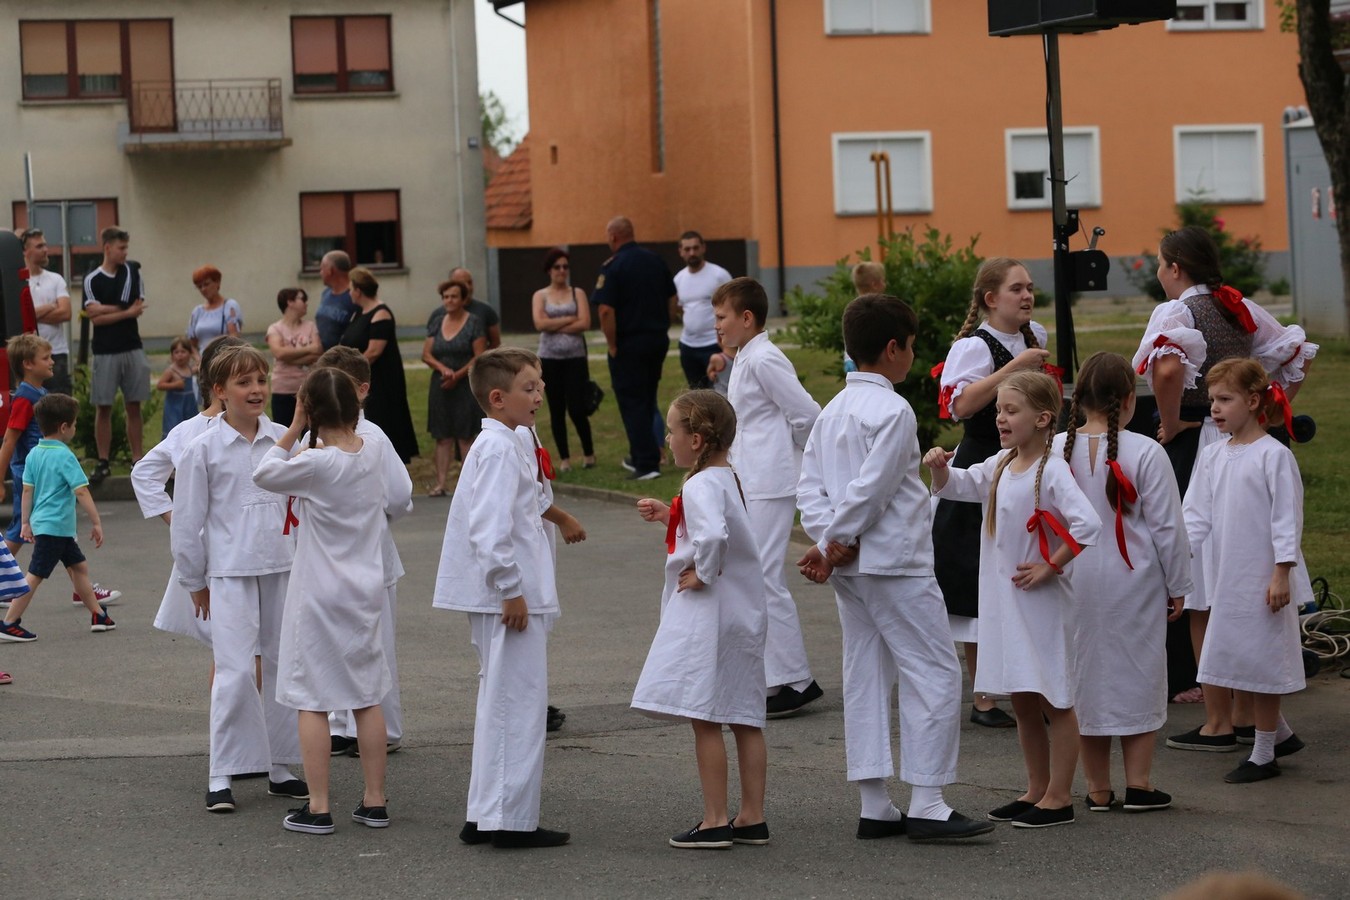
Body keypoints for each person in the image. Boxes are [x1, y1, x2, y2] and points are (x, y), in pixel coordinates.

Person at [796, 294, 993, 843]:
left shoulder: (831, 410)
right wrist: (837, 538)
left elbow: (809, 486)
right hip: (895, 562)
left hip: (854, 568)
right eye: (910, 346)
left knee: (866, 673)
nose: (912, 355)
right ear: (892, 349)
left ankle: (875, 802)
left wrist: (829, 538)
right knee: (933, 670)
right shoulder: (894, 410)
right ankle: (928, 802)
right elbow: (876, 488)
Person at [1132, 226, 1317, 745]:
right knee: (1233, 571)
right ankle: (1240, 713)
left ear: (1174, 268)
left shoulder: (1177, 313)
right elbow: (1293, 355)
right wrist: (1271, 408)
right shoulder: (1241, 307)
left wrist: (1173, 423)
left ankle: (1218, 719)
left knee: (1204, 580)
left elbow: (1167, 370)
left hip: (1200, 442)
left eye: (1163, 268)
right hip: (1236, 432)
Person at [925, 370, 1101, 829]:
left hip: (1040, 603)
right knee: (1023, 696)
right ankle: (1035, 789)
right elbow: (961, 486)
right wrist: (941, 467)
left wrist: (1050, 564)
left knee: (1054, 697)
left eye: (1010, 410)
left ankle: (1060, 797)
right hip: (1006, 602)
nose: (1000, 418)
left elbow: (1087, 524)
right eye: (998, 410)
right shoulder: (1002, 462)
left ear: (1043, 418)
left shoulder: (1053, 469)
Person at [432, 347, 569, 849]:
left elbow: (527, 504)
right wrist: (511, 590)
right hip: (507, 599)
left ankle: (485, 813)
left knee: (501, 703)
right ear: (497, 398)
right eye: (529, 388)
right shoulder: (495, 448)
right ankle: (511, 821)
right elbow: (488, 530)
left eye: (539, 385)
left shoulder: (510, 441)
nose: (539, 395)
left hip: (508, 596)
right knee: (519, 704)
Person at [253, 368, 396, 834]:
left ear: (311, 410)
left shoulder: (315, 464)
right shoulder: (372, 451)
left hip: (319, 590)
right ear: (357, 408)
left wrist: (294, 426)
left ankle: (318, 806)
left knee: (312, 697)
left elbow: (264, 472)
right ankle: (374, 800)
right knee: (367, 695)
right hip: (365, 587)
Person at [1055, 352, 1192, 812]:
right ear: (1129, 400)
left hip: (1071, 578)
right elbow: (1168, 528)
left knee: (1084, 678)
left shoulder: (1056, 449)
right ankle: (1140, 784)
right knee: (1139, 672)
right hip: (1134, 580)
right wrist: (1180, 583)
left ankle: (1097, 789)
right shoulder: (1147, 452)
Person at [170, 344, 305, 814]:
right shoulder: (201, 448)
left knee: (284, 665)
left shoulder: (286, 441)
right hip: (228, 573)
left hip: (284, 569)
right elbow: (188, 522)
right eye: (244, 382)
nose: (256, 390)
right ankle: (220, 772)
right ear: (219, 391)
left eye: (261, 380)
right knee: (233, 671)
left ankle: (281, 765)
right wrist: (194, 580)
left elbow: (306, 503)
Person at [632, 390, 768, 850]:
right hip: (744, 612)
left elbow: (712, 536)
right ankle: (752, 816)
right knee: (746, 717)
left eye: (672, 431)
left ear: (696, 438)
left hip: (713, 614)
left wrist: (704, 574)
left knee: (705, 716)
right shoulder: (727, 476)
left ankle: (714, 821)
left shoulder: (699, 484)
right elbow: (714, 523)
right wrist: (668, 515)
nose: (668, 439)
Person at [931, 258, 1050, 729]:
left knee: (1023, 565)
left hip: (1032, 461)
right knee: (978, 573)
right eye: (1016, 288)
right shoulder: (974, 347)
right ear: (990, 299)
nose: (1027, 296)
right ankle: (983, 694)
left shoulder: (1034, 334)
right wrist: (1013, 369)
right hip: (985, 459)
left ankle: (1033, 683)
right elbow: (958, 406)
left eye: (1030, 287)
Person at [1181, 358, 1309, 784]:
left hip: (1262, 576)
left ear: (1253, 401)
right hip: (1227, 575)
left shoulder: (1273, 456)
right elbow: (1194, 516)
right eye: (1212, 400)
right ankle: (1281, 735)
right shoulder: (1214, 455)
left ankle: (1264, 753)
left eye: (1224, 399)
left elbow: (1286, 519)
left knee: (1262, 660)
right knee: (1238, 656)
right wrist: (1174, 561)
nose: (1214, 408)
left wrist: (1281, 572)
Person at [714, 277, 823, 716]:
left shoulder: (764, 359)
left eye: (722, 318)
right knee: (755, 576)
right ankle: (780, 677)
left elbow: (807, 414)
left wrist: (792, 458)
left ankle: (795, 679)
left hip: (770, 482)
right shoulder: (744, 357)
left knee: (762, 577)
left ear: (746, 318)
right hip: (752, 478)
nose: (717, 326)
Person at [311, 345, 413, 760]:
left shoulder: (373, 437)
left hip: (371, 557)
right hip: (328, 562)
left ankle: (381, 728)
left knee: (374, 645)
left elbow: (401, 496)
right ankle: (341, 724)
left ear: (362, 391)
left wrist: (372, 515)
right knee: (333, 643)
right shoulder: (314, 436)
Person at [134, 336, 249, 650]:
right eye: (244, 377)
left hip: (248, 548)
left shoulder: (260, 428)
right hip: (216, 552)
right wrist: (178, 518)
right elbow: (143, 473)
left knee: (243, 647)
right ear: (219, 382)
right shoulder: (190, 431)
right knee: (232, 648)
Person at [0, 393, 117, 643]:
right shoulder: (65, 455)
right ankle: (9, 622)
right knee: (35, 575)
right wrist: (96, 521)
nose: (73, 429)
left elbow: (27, 491)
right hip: (56, 527)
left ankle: (98, 614)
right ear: (64, 427)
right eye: (73, 424)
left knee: (79, 568)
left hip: (51, 527)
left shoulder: (34, 454)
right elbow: (81, 490)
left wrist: (25, 522)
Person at [594, 216, 676, 481]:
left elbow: (606, 310)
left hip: (629, 344)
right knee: (648, 397)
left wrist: (612, 344)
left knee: (632, 401)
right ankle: (642, 453)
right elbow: (672, 298)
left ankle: (646, 462)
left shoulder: (613, 266)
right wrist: (665, 325)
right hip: (656, 340)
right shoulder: (655, 260)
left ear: (613, 236)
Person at [82, 226, 151, 483]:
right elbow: (94, 318)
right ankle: (103, 461)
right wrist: (122, 312)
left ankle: (137, 459)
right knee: (104, 406)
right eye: (121, 248)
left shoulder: (133, 272)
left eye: (126, 248)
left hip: (132, 346)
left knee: (134, 404)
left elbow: (136, 306)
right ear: (108, 247)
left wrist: (105, 310)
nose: (124, 253)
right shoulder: (92, 280)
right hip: (104, 350)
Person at [339, 267, 419, 463]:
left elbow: (374, 352)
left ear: (358, 290)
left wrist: (348, 373)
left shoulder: (381, 313)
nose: (349, 293)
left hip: (380, 383)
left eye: (351, 288)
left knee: (382, 422)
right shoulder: (358, 313)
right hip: (359, 380)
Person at [532, 249, 595, 473]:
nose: (562, 271)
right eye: (557, 267)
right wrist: (570, 319)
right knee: (556, 408)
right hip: (550, 358)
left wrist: (555, 322)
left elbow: (585, 322)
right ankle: (565, 458)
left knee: (577, 408)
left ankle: (589, 453)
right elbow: (540, 324)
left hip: (575, 358)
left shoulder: (577, 293)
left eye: (565, 267)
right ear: (549, 270)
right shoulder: (541, 295)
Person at [423, 278, 487, 495]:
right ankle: (441, 483)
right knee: (442, 436)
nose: (449, 300)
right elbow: (426, 354)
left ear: (463, 299)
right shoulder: (437, 320)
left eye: (454, 296)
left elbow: (479, 356)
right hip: (440, 384)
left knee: (465, 434)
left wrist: (457, 375)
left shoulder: (474, 322)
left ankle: (468, 483)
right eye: (446, 297)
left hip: (464, 384)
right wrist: (443, 369)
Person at [1, 334, 53, 556]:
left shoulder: (40, 393)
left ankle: (82, 588)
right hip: (30, 474)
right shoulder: (24, 398)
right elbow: (9, 442)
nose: (52, 362)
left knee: (52, 528)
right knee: (19, 530)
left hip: (42, 471)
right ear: (28, 364)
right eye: (46, 358)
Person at [672, 232, 732, 390]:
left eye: (695, 248)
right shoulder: (678, 279)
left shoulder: (719, 275)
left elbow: (734, 307)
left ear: (703, 248)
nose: (692, 252)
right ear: (681, 252)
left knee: (720, 393)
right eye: (687, 249)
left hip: (713, 345)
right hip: (688, 346)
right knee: (696, 394)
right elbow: (680, 308)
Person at [20, 228, 73, 394]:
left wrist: (33, 313)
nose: (45, 250)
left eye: (45, 245)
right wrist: (50, 306)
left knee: (60, 406)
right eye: (39, 246)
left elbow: (65, 313)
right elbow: (20, 317)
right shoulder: (20, 282)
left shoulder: (55, 279)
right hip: (28, 355)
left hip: (55, 354)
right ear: (26, 251)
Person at [265, 288, 321, 426]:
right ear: (289, 302)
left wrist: (288, 357)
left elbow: (317, 350)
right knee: (283, 431)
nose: (306, 303)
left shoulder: (310, 326)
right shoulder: (275, 328)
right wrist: (307, 352)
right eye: (302, 299)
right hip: (283, 390)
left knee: (311, 433)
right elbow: (279, 353)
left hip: (308, 389)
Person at [186, 265, 243, 356]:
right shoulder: (197, 312)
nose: (203, 289)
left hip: (224, 359)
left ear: (217, 282)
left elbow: (234, 337)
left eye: (206, 284)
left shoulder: (229, 306)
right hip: (203, 363)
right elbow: (191, 344)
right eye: (199, 287)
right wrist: (198, 361)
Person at [449, 267, 502, 350]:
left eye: (470, 282)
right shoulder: (440, 315)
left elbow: (495, 343)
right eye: (462, 283)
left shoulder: (486, 311)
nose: (468, 287)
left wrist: (481, 359)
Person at [157, 337, 199, 439]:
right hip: (174, 408)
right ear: (172, 355)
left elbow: (201, 364)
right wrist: (174, 385)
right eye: (176, 352)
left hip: (189, 406)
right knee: (174, 432)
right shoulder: (171, 371)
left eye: (183, 352)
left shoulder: (189, 369)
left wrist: (195, 353)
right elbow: (160, 385)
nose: (180, 355)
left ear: (189, 354)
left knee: (190, 431)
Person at [315, 250, 355, 350]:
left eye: (322, 269)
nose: (320, 273)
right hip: (324, 356)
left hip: (342, 356)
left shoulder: (354, 296)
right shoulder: (326, 293)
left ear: (330, 270)